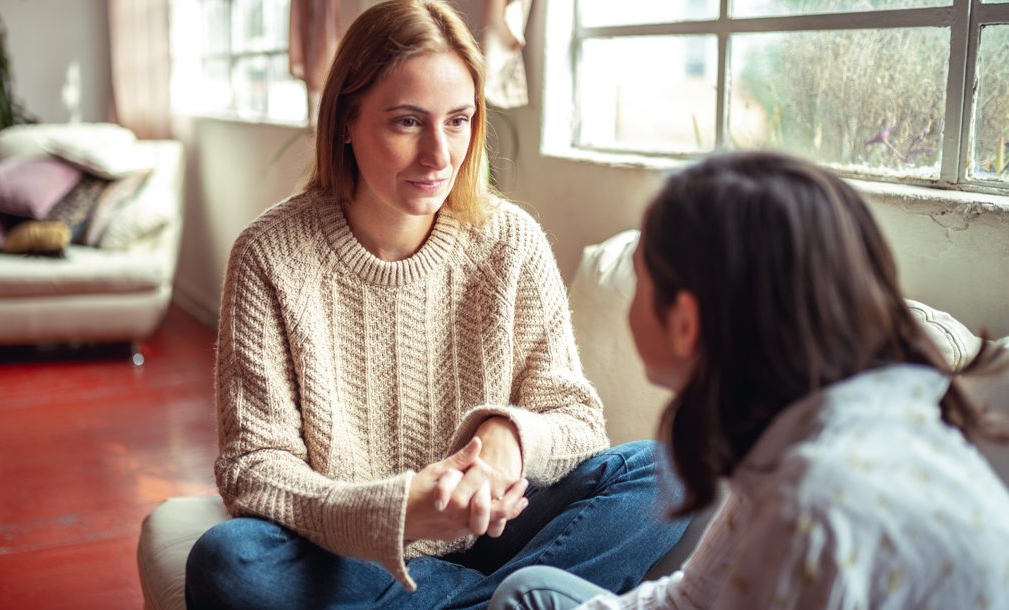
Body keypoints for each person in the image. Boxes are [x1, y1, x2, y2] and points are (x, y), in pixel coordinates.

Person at [183, 1, 690, 608]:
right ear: (346, 120)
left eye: (458, 121)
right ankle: (503, 600)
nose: (440, 155)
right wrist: (400, 515)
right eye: (406, 122)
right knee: (227, 562)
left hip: (499, 528)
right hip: (354, 549)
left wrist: (508, 439)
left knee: (668, 469)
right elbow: (255, 468)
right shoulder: (270, 255)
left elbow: (576, 419)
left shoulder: (511, 240)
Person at [490, 151, 1009, 610]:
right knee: (528, 590)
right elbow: (692, 596)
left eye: (642, 277)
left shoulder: (814, 506)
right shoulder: (799, 428)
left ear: (687, 322)